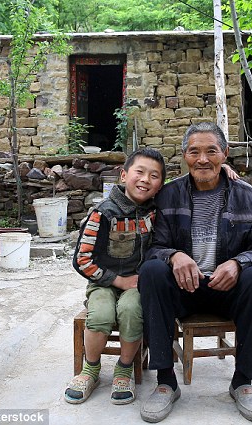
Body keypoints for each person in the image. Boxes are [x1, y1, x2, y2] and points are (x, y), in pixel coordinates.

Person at [138, 122, 252, 423]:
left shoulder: (249, 197)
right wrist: (174, 256)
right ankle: (166, 382)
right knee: (151, 271)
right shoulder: (168, 196)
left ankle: (243, 381)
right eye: (194, 152)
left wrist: (239, 263)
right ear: (185, 156)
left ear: (225, 154)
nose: (203, 159)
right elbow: (154, 247)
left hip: (227, 289)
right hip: (184, 288)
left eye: (211, 151)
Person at [65, 148, 166, 405]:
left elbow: (190, 186)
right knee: (100, 314)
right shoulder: (103, 213)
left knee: (132, 311)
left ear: (160, 186)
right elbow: (82, 259)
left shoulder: (156, 211)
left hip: (137, 285)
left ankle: (124, 369)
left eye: (154, 176)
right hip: (103, 282)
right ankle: (91, 369)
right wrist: (117, 280)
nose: (145, 179)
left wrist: (223, 170)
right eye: (139, 172)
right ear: (123, 175)